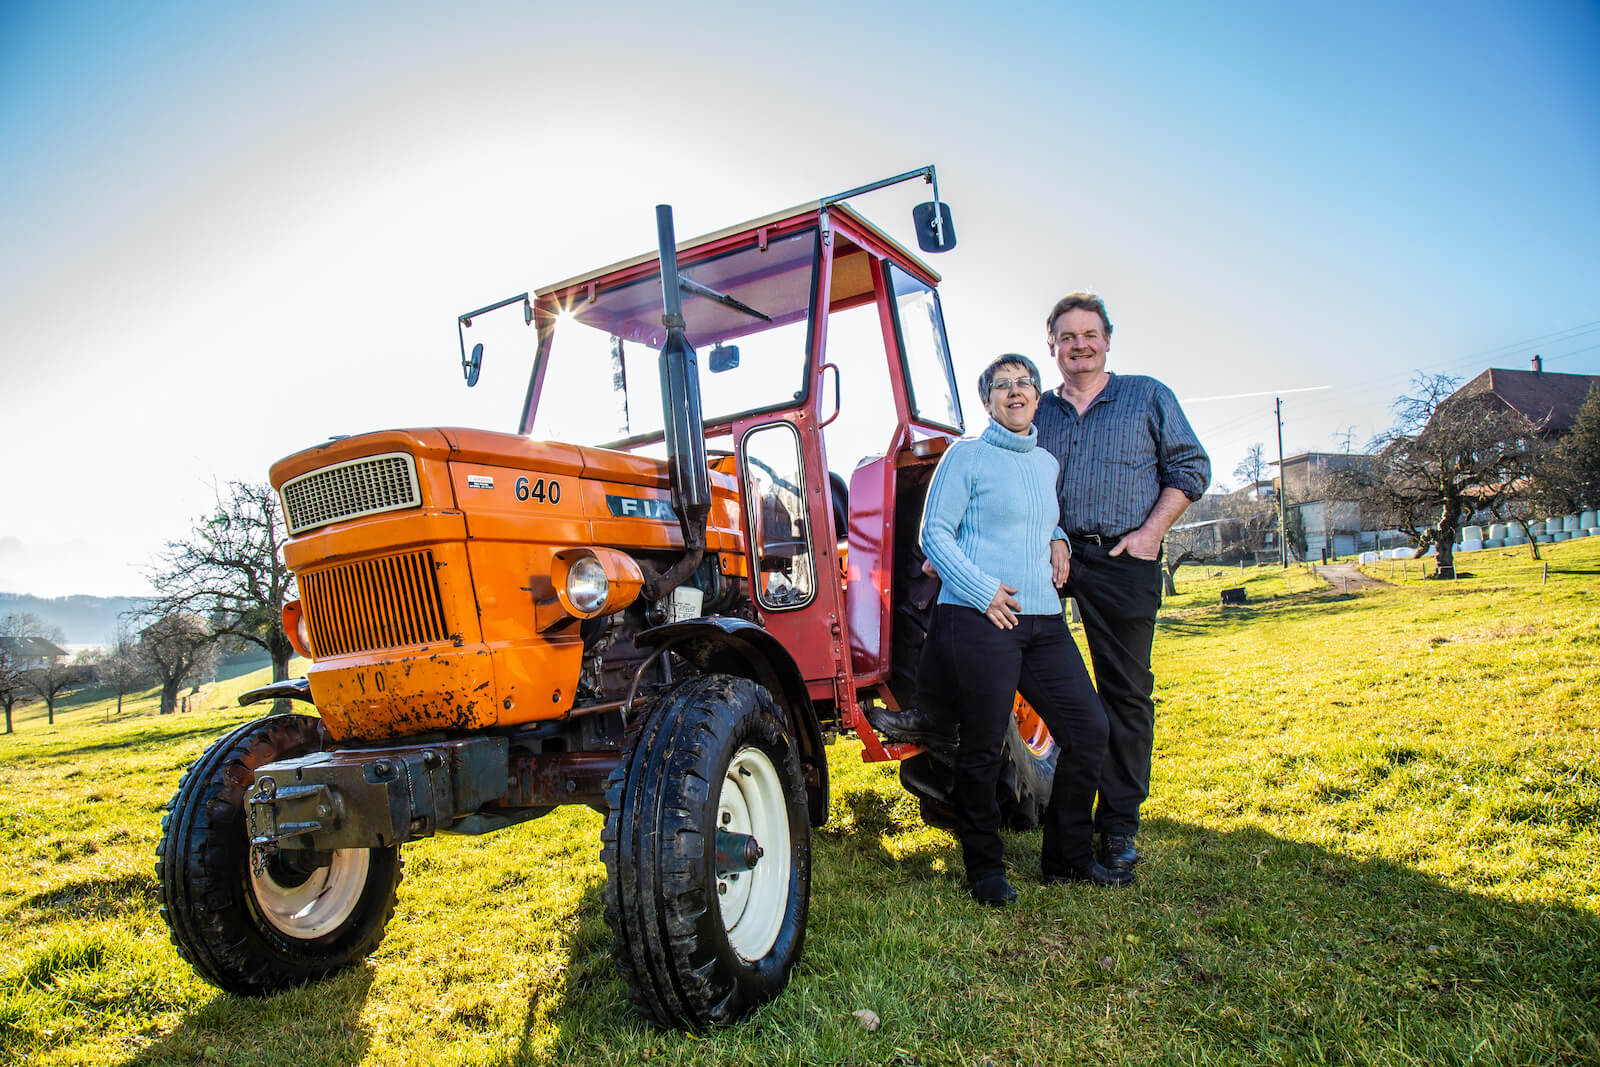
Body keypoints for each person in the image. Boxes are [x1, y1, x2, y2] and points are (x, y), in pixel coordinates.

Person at [913, 353, 1131, 905]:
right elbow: (933, 533)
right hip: (981, 616)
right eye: (1002, 385)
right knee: (983, 748)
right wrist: (983, 589)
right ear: (987, 400)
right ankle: (986, 870)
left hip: (1043, 620)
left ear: (1038, 396)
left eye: (1025, 383)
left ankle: (1067, 859)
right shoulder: (966, 456)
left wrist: (1057, 535)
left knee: (1089, 731)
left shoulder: (1044, 464)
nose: (1016, 392)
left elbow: (1037, 514)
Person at [1032, 292, 1210, 873]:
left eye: (1089, 334)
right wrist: (1052, 531)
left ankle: (1117, 826)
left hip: (1122, 554)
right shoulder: (1037, 411)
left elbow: (1191, 468)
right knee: (1004, 662)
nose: (1078, 345)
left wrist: (1152, 532)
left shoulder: (1147, 396)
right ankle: (1032, 797)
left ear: (1107, 339)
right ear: (1052, 345)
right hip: (1050, 554)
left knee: (1126, 691)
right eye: (1066, 337)